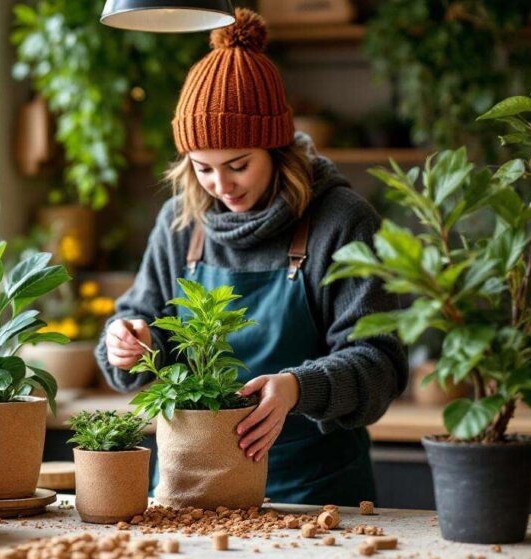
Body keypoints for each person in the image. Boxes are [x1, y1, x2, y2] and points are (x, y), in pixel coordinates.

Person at [94, 8, 407, 505]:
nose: (221, 186)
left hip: (315, 496)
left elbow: (380, 365)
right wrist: (130, 341)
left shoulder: (342, 221)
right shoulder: (181, 222)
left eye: (238, 165)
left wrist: (298, 388)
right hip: (191, 489)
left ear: (277, 148)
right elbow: (135, 324)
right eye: (203, 168)